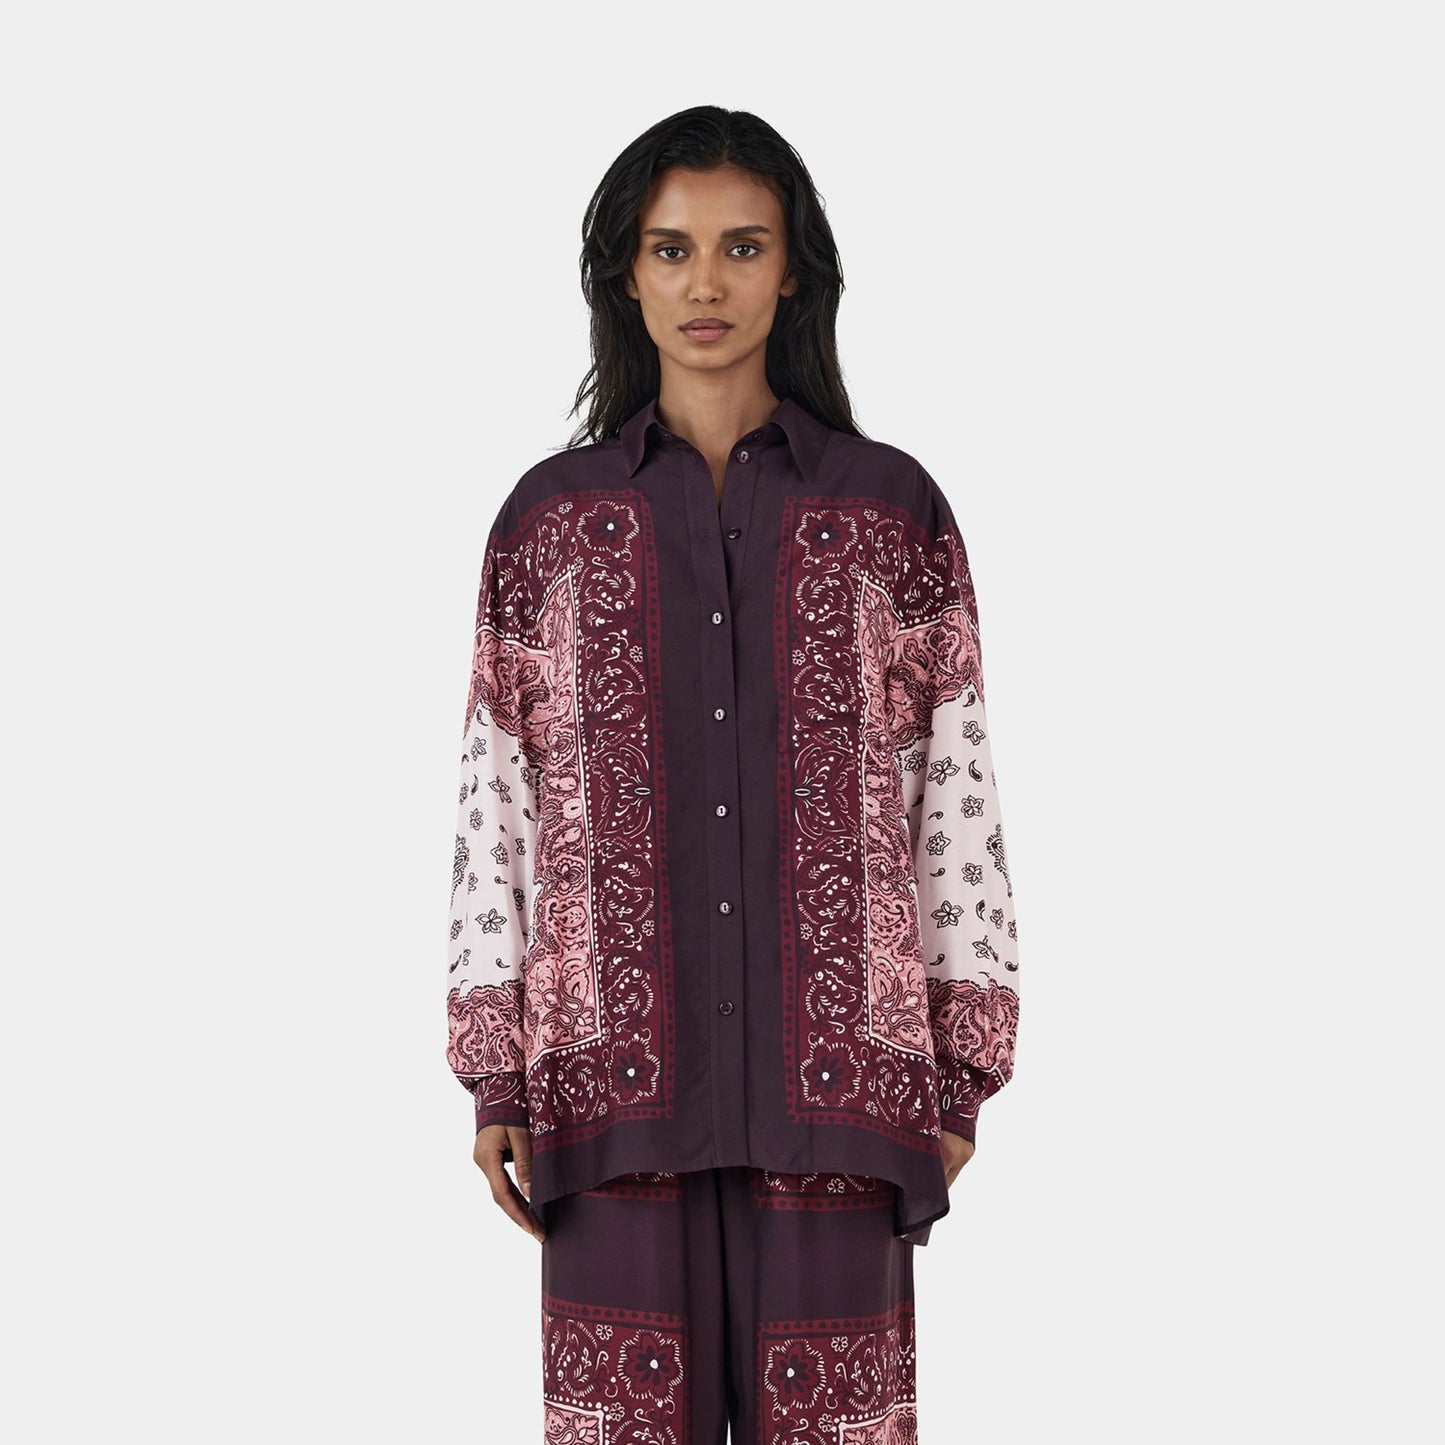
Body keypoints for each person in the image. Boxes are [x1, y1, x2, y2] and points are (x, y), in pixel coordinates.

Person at [445, 105, 1022, 1443]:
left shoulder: (891, 512)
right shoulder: (547, 522)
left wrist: (958, 1070)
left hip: (845, 1092)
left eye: (742, 246)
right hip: (607, 1092)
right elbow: (496, 805)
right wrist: (496, 1075)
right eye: (671, 249)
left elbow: (955, 798)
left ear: (794, 272)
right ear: (624, 275)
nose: (705, 282)